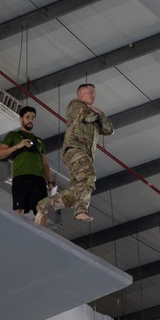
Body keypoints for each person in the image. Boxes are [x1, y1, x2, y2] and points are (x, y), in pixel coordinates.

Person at [35, 84, 113, 224]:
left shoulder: (95, 114)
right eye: (91, 92)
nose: (94, 96)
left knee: (76, 193)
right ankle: (81, 211)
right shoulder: (75, 105)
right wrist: (98, 114)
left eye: (95, 93)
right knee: (89, 176)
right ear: (81, 94)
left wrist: (99, 114)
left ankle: (43, 206)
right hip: (74, 149)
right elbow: (86, 116)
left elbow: (109, 129)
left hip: (84, 154)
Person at [0, 106, 54, 226]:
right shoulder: (13, 135)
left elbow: (45, 163)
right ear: (21, 119)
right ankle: (17, 234)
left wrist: (50, 182)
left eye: (33, 118)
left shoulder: (39, 141)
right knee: (19, 209)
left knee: (42, 208)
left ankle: (42, 235)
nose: (30, 120)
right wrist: (18, 145)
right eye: (27, 117)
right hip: (20, 177)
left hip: (38, 179)